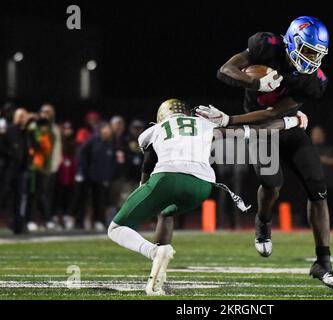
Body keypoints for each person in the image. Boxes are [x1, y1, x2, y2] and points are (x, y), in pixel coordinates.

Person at [107, 98, 302, 296]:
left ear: (161, 117)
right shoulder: (205, 124)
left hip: (166, 178)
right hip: (202, 186)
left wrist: (144, 195)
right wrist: (292, 122)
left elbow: (148, 165)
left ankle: (154, 251)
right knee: (166, 213)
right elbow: (256, 130)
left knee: (116, 228)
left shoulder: (153, 130)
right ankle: (158, 274)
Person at [200, 16, 333, 289]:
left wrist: (229, 120)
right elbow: (225, 70)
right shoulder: (266, 46)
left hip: (282, 124)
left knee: (318, 187)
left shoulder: (315, 81)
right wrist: (254, 84)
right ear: (292, 41)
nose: (311, 60)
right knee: (272, 184)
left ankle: (323, 262)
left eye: (316, 54)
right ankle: (263, 220)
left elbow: (274, 113)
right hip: (258, 129)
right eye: (307, 51)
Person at [74, 123, 116, 231]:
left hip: (101, 178)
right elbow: (82, 153)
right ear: (101, 130)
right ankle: (79, 222)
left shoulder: (110, 144)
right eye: (105, 129)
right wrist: (82, 170)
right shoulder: (93, 141)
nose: (107, 132)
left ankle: (98, 221)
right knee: (83, 200)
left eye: (109, 130)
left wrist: (108, 176)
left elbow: (110, 162)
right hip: (88, 176)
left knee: (99, 201)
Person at [311, 126, 333, 228]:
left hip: (329, 183)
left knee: (330, 207)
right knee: (313, 207)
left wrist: (325, 160)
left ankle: (331, 227)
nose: (317, 136)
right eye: (315, 134)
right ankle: (309, 227)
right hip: (312, 183)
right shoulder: (308, 149)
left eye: (319, 134)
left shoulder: (331, 148)